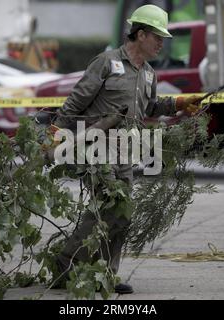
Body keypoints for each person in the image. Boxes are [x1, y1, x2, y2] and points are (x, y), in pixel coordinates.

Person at [51, 4, 201, 294]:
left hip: (125, 152)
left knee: (123, 214)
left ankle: (106, 274)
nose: (161, 43)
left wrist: (180, 104)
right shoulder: (106, 62)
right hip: (95, 148)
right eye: (158, 37)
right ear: (141, 34)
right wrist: (57, 130)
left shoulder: (148, 74)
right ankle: (65, 266)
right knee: (103, 212)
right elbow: (77, 99)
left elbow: (151, 106)